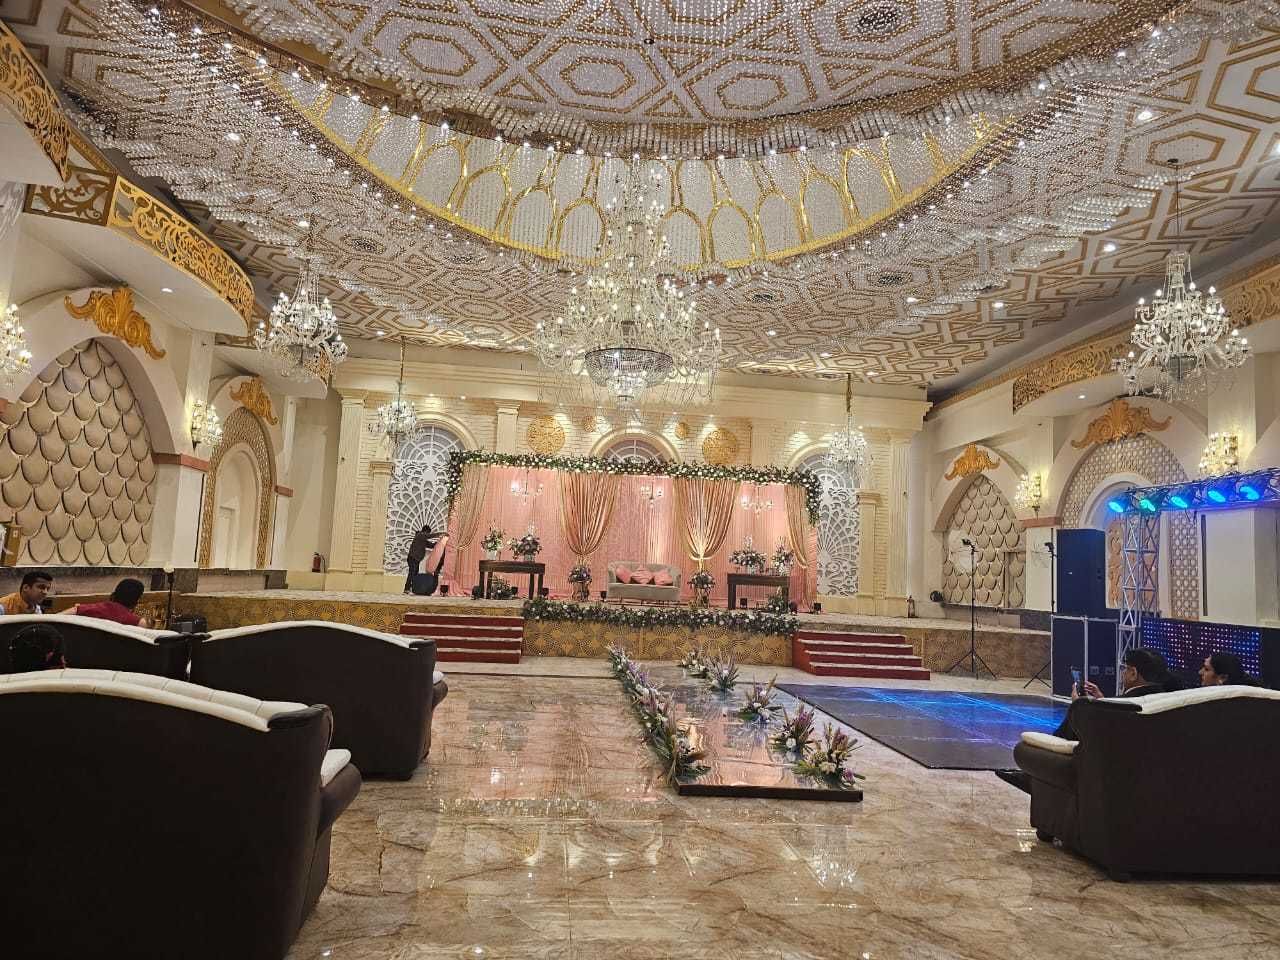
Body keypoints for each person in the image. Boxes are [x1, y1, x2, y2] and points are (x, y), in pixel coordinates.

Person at [71, 578, 152, 628]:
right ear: (137, 600)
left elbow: (71, 612)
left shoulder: (96, 609)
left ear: (115, 593)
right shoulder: (138, 622)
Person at [404, 525, 442, 594]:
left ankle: (412, 589)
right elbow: (429, 536)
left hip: (416, 559)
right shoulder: (420, 535)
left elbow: (431, 545)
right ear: (425, 531)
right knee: (412, 573)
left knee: (414, 574)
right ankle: (407, 589)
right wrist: (441, 534)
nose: (428, 534)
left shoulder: (422, 539)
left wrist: (439, 542)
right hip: (413, 558)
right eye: (428, 533)